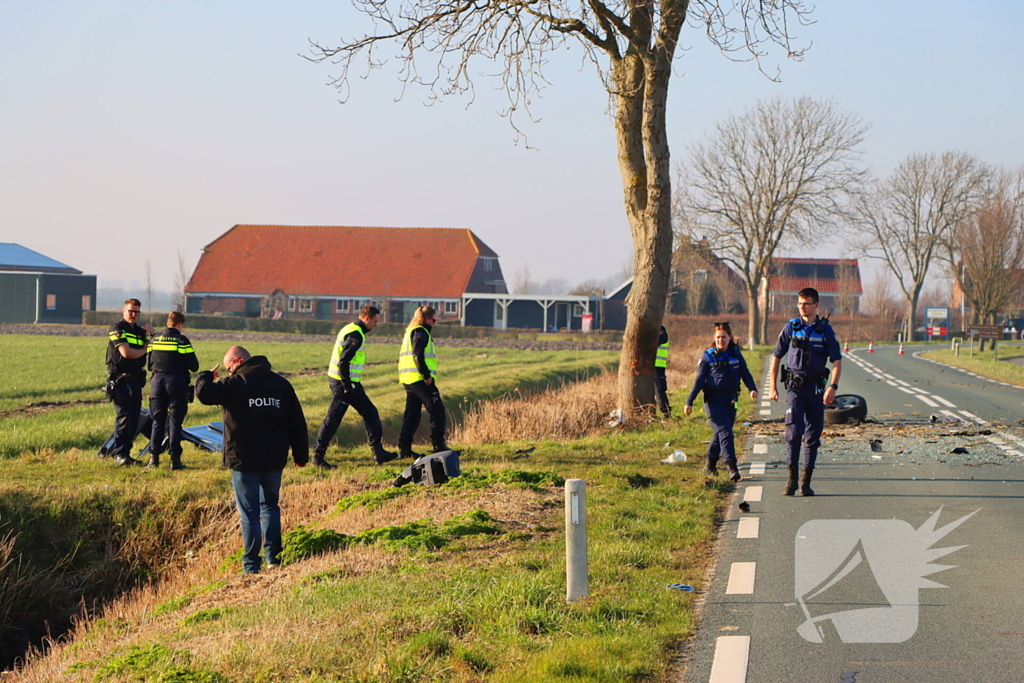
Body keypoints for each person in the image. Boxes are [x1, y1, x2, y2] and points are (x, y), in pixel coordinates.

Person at [195, 346, 309, 574]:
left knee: (249, 513)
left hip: (243, 459)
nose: (228, 373)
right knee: (270, 507)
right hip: (274, 458)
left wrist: (206, 375)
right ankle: (274, 558)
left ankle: (250, 565)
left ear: (237, 361)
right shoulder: (281, 384)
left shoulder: (234, 384)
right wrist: (300, 456)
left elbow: (203, 394)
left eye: (229, 368)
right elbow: (297, 422)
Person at [769, 288, 843, 497]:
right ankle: (791, 480)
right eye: (800, 303)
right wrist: (772, 386)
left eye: (807, 303)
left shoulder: (825, 331)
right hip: (795, 387)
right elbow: (776, 356)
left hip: (816, 389)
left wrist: (833, 386)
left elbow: (836, 361)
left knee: (813, 435)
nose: (802, 307)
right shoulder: (791, 328)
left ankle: (805, 482)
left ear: (816, 305)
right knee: (794, 432)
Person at [312, 305, 398, 467]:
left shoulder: (353, 329)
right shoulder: (355, 335)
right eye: (375, 321)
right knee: (333, 419)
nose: (376, 325)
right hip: (344, 383)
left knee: (370, 412)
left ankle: (378, 452)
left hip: (350, 383)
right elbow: (343, 361)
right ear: (367, 318)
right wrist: (346, 385)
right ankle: (317, 456)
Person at [684, 322, 758, 481]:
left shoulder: (736, 354)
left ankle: (709, 466)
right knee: (725, 433)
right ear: (714, 338)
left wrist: (752, 389)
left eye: (723, 337)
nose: (720, 340)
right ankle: (732, 467)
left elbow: (745, 373)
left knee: (720, 434)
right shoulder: (708, 356)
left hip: (731, 400)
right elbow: (699, 380)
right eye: (718, 337)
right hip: (713, 400)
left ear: (730, 337)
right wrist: (689, 401)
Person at [146, 311, 199, 469]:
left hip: (157, 382)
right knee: (175, 422)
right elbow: (194, 365)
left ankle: (153, 459)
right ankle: (175, 460)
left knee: (157, 421)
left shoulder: (154, 340)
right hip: (176, 383)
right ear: (180, 325)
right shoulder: (182, 341)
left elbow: (149, 364)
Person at [105, 299, 155, 466]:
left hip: (135, 380)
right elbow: (126, 353)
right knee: (124, 418)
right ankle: (119, 454)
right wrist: (146, 347)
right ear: (123, 311)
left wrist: (153, 335)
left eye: (136, 312)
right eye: (130, 311)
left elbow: (156, 348)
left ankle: (126, 453)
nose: (133, 315)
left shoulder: (140, 332)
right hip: (121, 380)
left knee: (134, 419)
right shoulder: (117, 329)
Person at [397, 306, 449, 458]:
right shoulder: (421, 332)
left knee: (412, 415)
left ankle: (404, 449)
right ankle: (439, 446)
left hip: (409, 379)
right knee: (437, 410)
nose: (434, 323)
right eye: (434, 320)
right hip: (420, 379)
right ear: (427, 319)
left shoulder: (411, 331)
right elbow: (418, 354)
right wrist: (426, 375)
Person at [654, 324, 672, 417]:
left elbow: (657, 342)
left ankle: (666, 413)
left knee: (660, 390)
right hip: (651, 365)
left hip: (658, 365)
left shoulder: (661, 330)